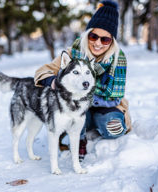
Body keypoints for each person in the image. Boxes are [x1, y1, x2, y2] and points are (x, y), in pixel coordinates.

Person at [34, 0, 132, 161]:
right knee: (75, 111)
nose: (98, 43)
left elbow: (115, 95)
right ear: (88, 34)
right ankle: (79, 138)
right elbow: (42, 72)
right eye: (94, 36)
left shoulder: (117, 60)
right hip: (77, 106)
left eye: (105, 39)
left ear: (112, 41)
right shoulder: (73, 53)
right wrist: (53, 82)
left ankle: (95, 127)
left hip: (105, 105)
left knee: (112, 127)